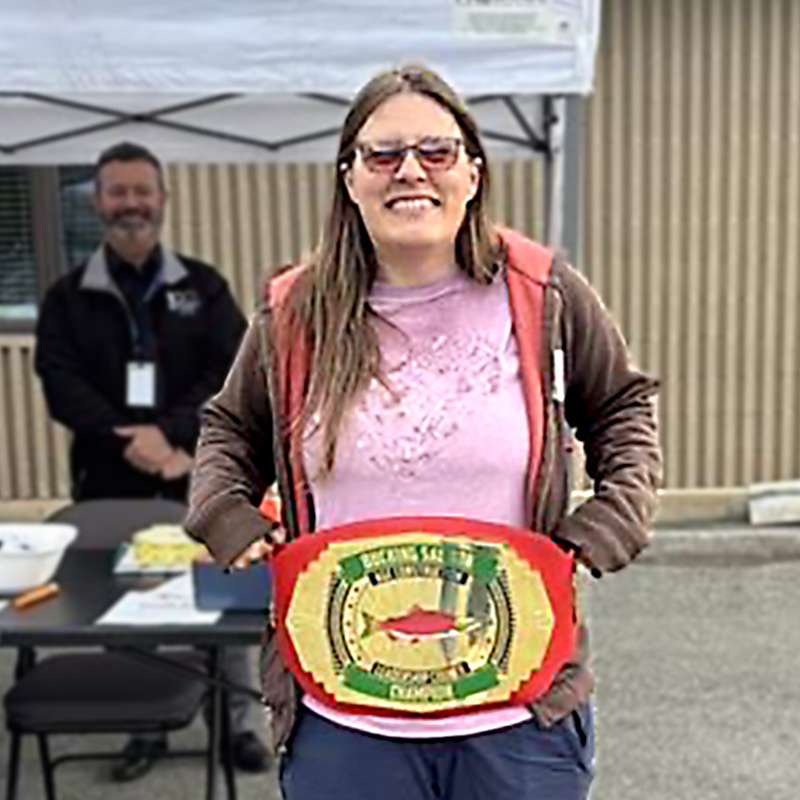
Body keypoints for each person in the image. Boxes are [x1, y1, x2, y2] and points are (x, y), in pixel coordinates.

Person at [185, 65, 662, 800]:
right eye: (382, 154)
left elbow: (623, 407)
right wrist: (224, 511)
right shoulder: (295, 313)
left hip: (518, 719)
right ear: (349, 179)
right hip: (345, 724)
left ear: (473, 172)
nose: (410, 170)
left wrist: (612, 517)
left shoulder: (544, 294)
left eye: (436, 151)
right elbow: (229, 428)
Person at [35, 142, 271, 780]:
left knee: (219, 594)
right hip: (107, 476)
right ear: (97, 201)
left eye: (142, 191)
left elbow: (230, 371)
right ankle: (146, 727)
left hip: (194, 469)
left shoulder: (203, 287)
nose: (130, 204)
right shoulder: (66, 297)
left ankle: (238, 725)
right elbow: (60, 381)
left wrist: (169, 437)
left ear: (162, 199)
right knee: (124, 599)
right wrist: (128, 438)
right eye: (118, 192)